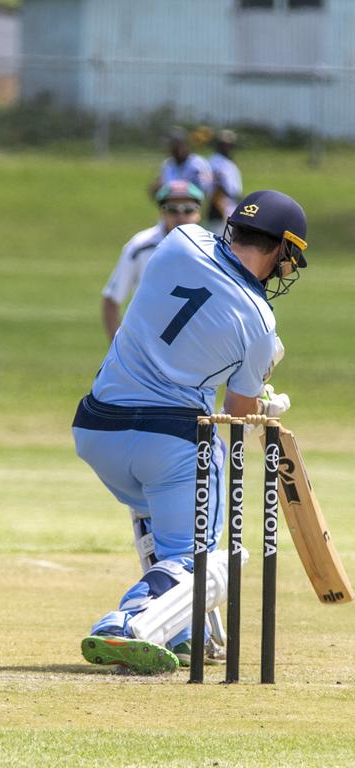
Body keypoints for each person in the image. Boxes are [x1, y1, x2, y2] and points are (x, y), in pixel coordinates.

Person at [72, 189, 308, 674]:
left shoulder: (179, 241)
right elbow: (237, 413)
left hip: (97, 428)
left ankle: (181, 633)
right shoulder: (259, 321)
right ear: (281, 248)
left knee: (153, 515)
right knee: (194, 558)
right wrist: (261, 384)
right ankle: (127, 622)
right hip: (171, 443)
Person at [102, 180, 205, 343]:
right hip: (146, 345)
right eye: (172, 210)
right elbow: (111, 300)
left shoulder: (213, 251)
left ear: (198, 213)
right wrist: (118, 349)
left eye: (188, 209)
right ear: (161, 212)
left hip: (193, 348)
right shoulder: (140, 247)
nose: (180, 216)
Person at [149, 126, 213, 201]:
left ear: (183, 145)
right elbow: (160, 190)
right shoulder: (167, 164)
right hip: (171, 208)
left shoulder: (198, 164)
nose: (171, 150)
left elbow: (208, 191)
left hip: (192, 208)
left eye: (174, 146)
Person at [207, 129, 243, 233]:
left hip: (232, 204)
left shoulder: (228, 161)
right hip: (220, 206)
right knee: (219, 236)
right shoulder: (214, 161)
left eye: (229, 144)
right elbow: (217, 186)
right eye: (224, 144)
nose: (227, 147)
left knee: (230, 238)